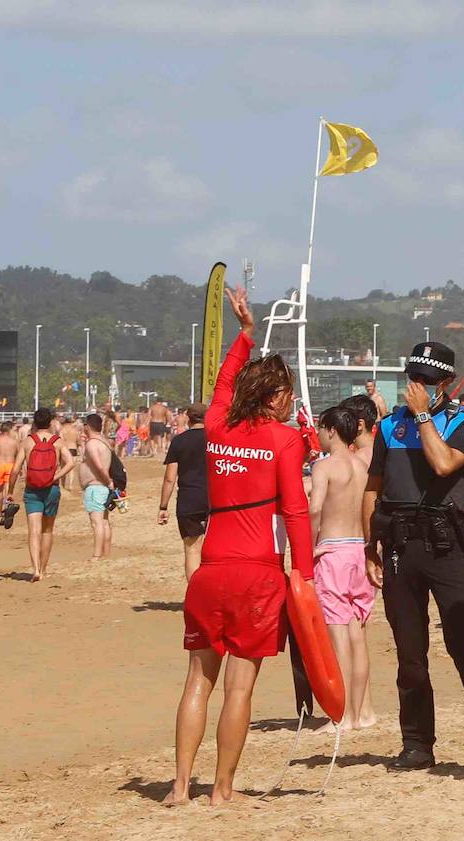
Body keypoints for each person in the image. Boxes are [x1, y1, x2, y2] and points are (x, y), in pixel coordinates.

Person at [166, 284, 314, 807]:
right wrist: (306, 575)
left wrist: (245, 334)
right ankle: (221, 789)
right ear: (274, 397)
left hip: (209, 570)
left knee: (197, 682)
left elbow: (223, 383)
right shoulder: (285, 438)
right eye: (288, 393)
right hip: (257, 574)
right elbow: (295, 509)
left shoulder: (216, 425)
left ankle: (180, 786)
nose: (291, 401)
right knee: (239, 688)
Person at [361, 341, 464, 774]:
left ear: (445, 382)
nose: (416, 386)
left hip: (448, 547)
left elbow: (444, 466)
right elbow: (373, 486)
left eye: (425, 380)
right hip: (402, 547)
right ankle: (417, 744)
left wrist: (424, 416)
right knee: (410, 654)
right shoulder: (388, 427)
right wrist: (369, 544)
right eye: (412, 378)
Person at [310, 406, 377, 731]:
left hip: (334, 552)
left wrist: (309, 548)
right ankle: (363, 711)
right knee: (357, 636)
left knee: (338, 639)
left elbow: (314, 509)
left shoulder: (324, 466)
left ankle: (343, 715)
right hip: (360, 551)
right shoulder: (364, 465)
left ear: (331, 430)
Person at [6, 408, 76, 581]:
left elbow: (15, 470)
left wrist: (10, 492)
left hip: (32, 490)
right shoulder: (57, 441)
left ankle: (35, 569)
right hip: (51, 489)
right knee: (47, 530)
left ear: (35, 423)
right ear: (51, 422)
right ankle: (44, 570)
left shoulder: (28, 442)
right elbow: (71, 462)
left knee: (34, 530)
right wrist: (55, 477)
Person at [158, 403, 209, 580]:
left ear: (188, 418)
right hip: (215, 500)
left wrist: (163, 507)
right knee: (214, 552)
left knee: (192, 550)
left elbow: (170, 478)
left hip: (189, 500)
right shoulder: (217, 439)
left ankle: (196, 597)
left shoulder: (179, 441)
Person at [78, 412, 115, 563]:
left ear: (87, 426)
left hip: (96, 486)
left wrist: (108, 481)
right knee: (104, 521)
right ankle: (105, 554)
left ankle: (97, 555)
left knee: (96, 522)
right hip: (101, 487)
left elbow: (99, 467)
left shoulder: (93, 444)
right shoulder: (104, 441)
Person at [0, 422, 17, 505]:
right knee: (8, 486)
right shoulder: (14, 441)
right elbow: (18, 453)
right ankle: (7, 508)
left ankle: (0, 510)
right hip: (10, 465)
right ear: (9, 431)